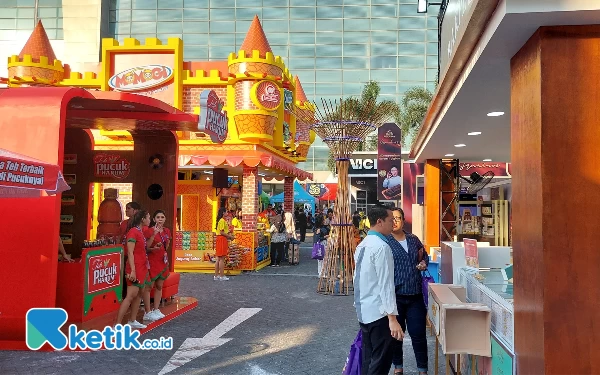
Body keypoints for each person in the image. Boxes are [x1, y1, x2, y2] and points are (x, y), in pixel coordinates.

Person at [353, 204, 403, 375]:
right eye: (391, 220)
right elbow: (386, 284)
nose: (393, 224)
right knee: (380, 363)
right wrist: (392, 318)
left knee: (369, 360)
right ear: (380, 222)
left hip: (365, 311)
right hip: (379, 314)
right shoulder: (381, 247)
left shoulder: (363, 244)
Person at [387, 207, 429, 375]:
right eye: (392, 218)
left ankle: (422, 369)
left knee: (418, 334)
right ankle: (398, 367)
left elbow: (424, 255)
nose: (395, 221)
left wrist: (424, 263)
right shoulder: (386, 241)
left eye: (398, 218)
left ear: (404, 221)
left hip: (415, 296)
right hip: (395, 296)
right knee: (396, 335)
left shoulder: (413, 239)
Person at [116, 210, 153, 329]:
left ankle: (132, 320)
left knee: (138, 295)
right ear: (142, 219)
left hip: (142, 267)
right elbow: (130, 252)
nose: (150, 219)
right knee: (130, 295)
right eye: (148, 217)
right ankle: (117, 324)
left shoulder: (140, 232)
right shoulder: (133, 232)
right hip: (135, 267)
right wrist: (132, 270)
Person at [141, 210, 171, 322]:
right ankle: (147, 311)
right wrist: (154, 243)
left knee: (159, 285)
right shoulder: (149, 231)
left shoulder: (167, 231)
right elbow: (145, 247)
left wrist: (162, 246)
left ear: (165, 219)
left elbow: (166, 246)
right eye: (158, 217)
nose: (160, 219)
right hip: (152, 261)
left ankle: (156, 309)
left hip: (162, 260)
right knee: (149, 286)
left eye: (162, 217)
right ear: (154, 219)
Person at [215, 207, 234, 281]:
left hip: (219, 239)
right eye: (226, 212)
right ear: (223, 213)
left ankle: (216, 275)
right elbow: (222, 232)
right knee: (222, 258)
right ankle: (222, 275)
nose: (227, 213)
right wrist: (230, 236)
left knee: (218, 258)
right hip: (222, 239)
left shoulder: (220, 220)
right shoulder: (222, 221)